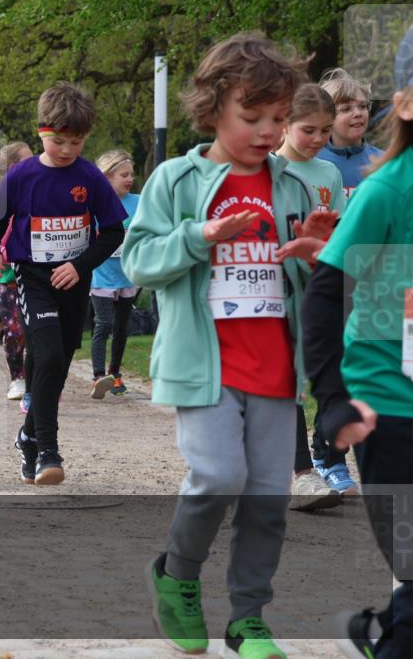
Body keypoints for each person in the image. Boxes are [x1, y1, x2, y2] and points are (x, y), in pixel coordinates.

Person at [122, 33, 327, 658]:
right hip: (205, 363)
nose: (268, 131)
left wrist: (319, 258)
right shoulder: (175, 179)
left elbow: (313, 280)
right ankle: (177, 576)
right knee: (218, 474)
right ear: (213, 108)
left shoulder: (293, 186)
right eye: (252, 116)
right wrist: (198, 236)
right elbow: (136, 262)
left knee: (268, 497)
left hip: (274, 364)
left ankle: (248, 620)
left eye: (278, 118)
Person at [302, 74, 413, 659]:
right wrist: (333, 398)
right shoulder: (388, 188)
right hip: (390, 406)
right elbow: (324, 294)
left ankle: (382, 632)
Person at [0, 82, 126, 485]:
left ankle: (27, 437)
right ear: (42, 131)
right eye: (59, 141)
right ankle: (48, 449)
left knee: (57, 363)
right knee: (44, 357)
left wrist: (80, 266)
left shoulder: (90, 177)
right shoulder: (21, 175)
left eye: (76, 142)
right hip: (33, 277)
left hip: (74, 280)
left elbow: (113, 232)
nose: (67, 150)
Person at [274, 83, 348, 510]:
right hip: (277, 289)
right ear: (284, 124)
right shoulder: (267, 169)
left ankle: (325, 459)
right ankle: (303, 474)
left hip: (319, 290)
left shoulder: (330, 174)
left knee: (327, 374)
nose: (319, 139)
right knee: (286, 379)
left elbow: (339, 230)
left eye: (325, 130)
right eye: (308, 130)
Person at [0, 142, 31, 401]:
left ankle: (36, 379)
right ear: (14, 167)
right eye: (29, 159)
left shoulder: (35, 190)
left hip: (29, 266)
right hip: (3, 272)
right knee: (14, 327)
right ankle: (17, 379)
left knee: (35, 326)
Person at [89, 149, 141, 398]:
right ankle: (99, 376)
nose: (129, 179)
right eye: (123, 175)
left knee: (122, 328)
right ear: (108, 177)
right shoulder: (96, 204)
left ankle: (115, 374)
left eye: (131, 174)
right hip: (102, 274)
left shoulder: (139, 203)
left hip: (128, 275)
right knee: (104, 324)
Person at [316, 68, 383, 203]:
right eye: (346, 109)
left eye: (363, 106)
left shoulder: (383, 162)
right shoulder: (312, 160)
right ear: (327, 117)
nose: (358, 113)